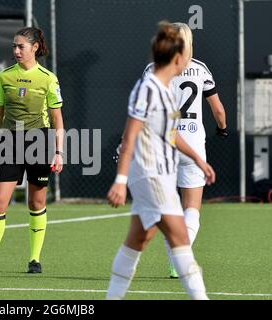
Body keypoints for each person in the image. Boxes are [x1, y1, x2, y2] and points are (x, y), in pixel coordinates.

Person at [106, 21, 215, 300]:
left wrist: (198, 161)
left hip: (161, 173)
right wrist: (120, 180)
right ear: (177, 58)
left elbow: (171, 133)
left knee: (138, 239)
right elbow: (130, 136)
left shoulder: (165, 89)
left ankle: (112, 296)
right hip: (150, 175)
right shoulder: (148, 88)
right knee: (180, 237)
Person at [0, 26, 64, 274]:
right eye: (14, 46)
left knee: (36, 202)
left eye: (20, 46)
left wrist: (58, 152)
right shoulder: (4, 77)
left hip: (40, 142)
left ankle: (35, 260)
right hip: (10, 142)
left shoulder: (48, 78)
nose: (16, 50)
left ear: (34, 47)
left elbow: (57, 118)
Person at [142, 22, 228, 278]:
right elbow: (218, 110)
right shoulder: (200, 69)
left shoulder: (154, 68)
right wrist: (222, 129)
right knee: (192, 209)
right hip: (192, 146)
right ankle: (181, 257)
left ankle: (175, 256)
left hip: (163, 145)